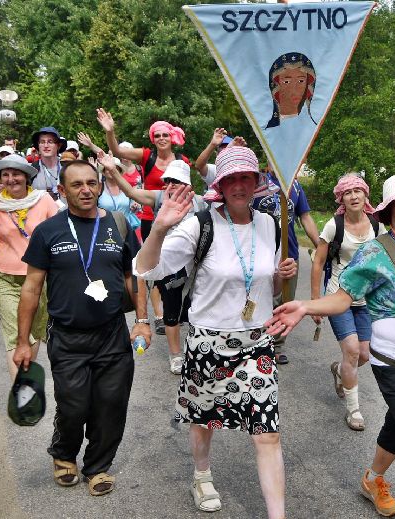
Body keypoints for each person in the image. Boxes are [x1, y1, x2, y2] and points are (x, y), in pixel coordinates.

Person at [266, 173, 395, 518]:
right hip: (390, 361)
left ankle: (373, 478)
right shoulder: (374, 252)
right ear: (389, 212)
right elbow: (343, 298)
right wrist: (306, 305)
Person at [133, 146, 297, 518]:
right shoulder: (200, 224)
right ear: (220, 185)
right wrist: (159, 227)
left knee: (267, 433)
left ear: (256, 182)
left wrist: (279, 278)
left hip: (256, 341)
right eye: (231, 179)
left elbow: (264, 289)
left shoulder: (270, 224)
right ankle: (202, 475)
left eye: (246, 177)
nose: (239, 185)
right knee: (204, 421)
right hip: (209, 341)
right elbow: (147, 270)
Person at [14, 159, 151, 497]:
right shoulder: (49, 231)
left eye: (92, 183)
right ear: (62, 190)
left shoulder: (117, 226)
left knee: (111, 402)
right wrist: (23, 340)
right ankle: (63, 452)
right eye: (76, 185)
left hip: (112, 334)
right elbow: (31, 288)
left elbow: (134, 277)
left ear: (99, 186)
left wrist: (143, 322)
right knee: (74, 405)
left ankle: (97, 466)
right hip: (67, 335)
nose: (86, 189)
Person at [100, 154, 206, 375]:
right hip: (168, 264)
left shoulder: (201, 202)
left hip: (197, 266)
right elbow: (131, 192)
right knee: (171, 311)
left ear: (187, 184)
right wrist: (113, 169)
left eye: (175, 181)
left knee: (198, 311)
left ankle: (198, 351)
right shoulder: (159, 197)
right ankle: (176, 355)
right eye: (167, 180)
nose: (169, 185)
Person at [96, 108, 189, 335]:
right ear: (152, 139)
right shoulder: (147, 156)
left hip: (179, 219)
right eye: (156, 135)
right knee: (153, 268)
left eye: (164, 134)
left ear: (171, 137)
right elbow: (117, 150)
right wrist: (110, 131)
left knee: (180, 269)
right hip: (152, 217)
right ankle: (159, 314)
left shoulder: (182, 160)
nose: (161, 138)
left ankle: (178, 309)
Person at [311, 174, 385, 431]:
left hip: (366, 299)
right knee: (352, 350)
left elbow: (386, 258)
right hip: (338, 297)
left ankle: (340, 370)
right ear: (341, 198)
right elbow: (318, 262)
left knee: (364, 354)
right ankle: (354, 411)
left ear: (366, 195)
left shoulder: (377, 225)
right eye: (347, 192)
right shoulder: (334, 225)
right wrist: (316, 302)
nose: (353, 196)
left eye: (358, 191)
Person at [0, 154, 59, 380]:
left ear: (26, 177)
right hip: (2, 276)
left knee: (34, 331)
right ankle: (22, 391)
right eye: (5, 175)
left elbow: (59, 233)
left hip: (39, 277)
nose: (11, 179)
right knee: (15, 332)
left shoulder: (44, 200)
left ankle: (26, 379)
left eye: (16, 174)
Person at [254, 169, 319, 364]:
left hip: (288, 254)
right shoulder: (258, 181)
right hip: (258, 253)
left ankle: (277, 345)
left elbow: (305, 217)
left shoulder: (296, 186)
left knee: (284, 302)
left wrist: (320, 245)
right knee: (256, 299)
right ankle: (254, 340)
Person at [266, 52, 317, 128]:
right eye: (287, 82)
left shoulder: (313, 125)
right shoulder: (268, 129)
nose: (295, 89)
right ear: (275, 85)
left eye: (301, 81)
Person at [30, 126, 67, 200]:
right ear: (38, 146)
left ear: (58, 146)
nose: (46, 146)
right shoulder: (31, 170)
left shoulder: (67, 169)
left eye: (50, 142)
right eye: (42, 142)